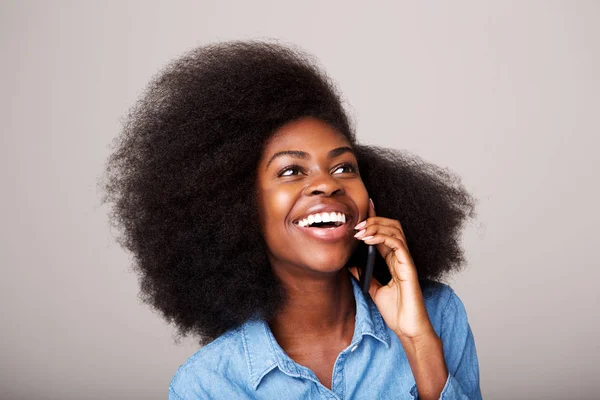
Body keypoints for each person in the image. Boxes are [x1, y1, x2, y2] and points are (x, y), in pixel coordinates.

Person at [102, 40, 481, 399]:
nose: (326, 184)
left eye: (344, 166)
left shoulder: (436, 315)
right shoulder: (207, 384)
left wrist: (418, 343)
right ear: (236, 207)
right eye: (290, 171)